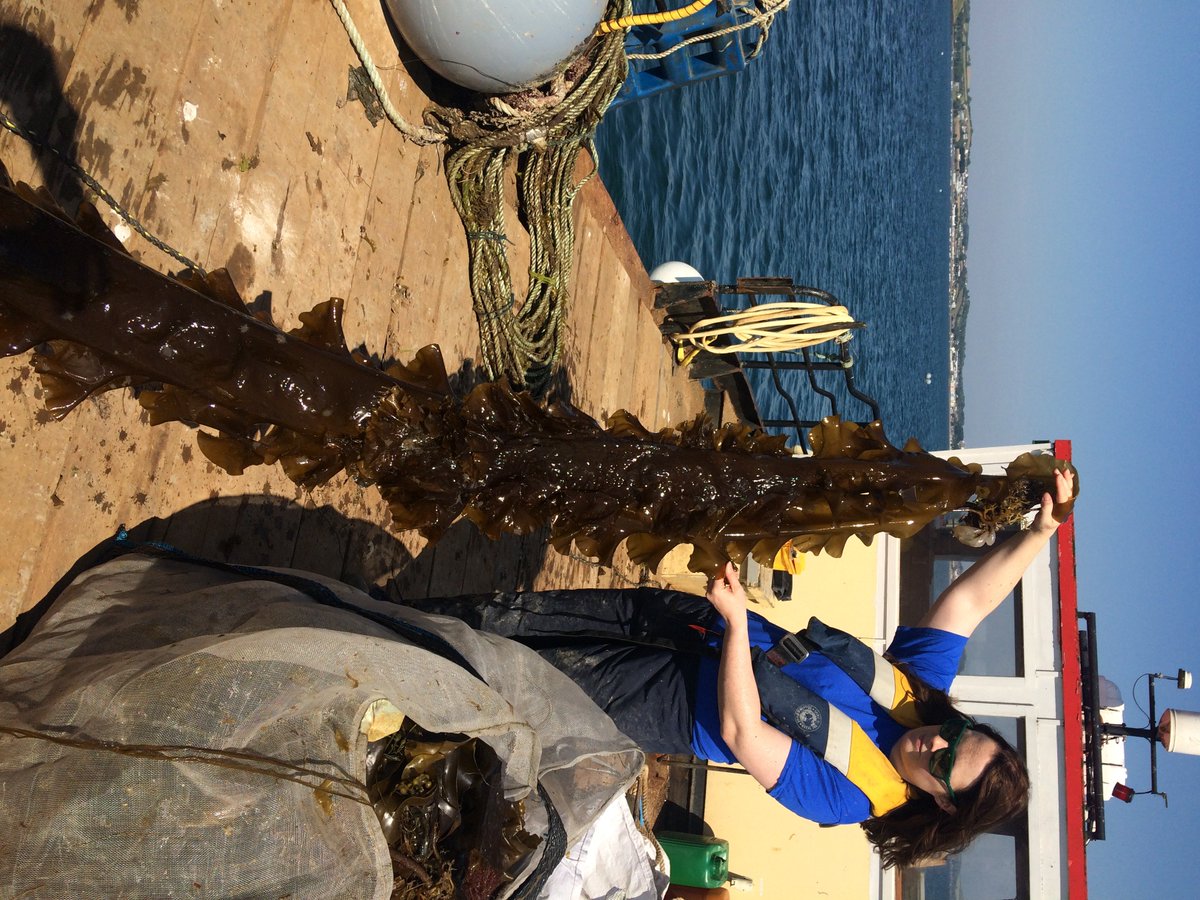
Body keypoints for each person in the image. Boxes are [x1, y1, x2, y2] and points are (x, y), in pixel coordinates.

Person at [408, 467, 1075, 867]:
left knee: (508, 673)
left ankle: (397, 654)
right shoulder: (918, 695)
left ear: (941, 801)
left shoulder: (849, 797)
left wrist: (734, 624)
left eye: (943, 764)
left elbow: (743, 730)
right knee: (520, 615)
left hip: (667, 700)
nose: (934, 743)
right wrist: (1040, 534)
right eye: (955, 734)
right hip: (690, 622)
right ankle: (396, 615)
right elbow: (968, 602)